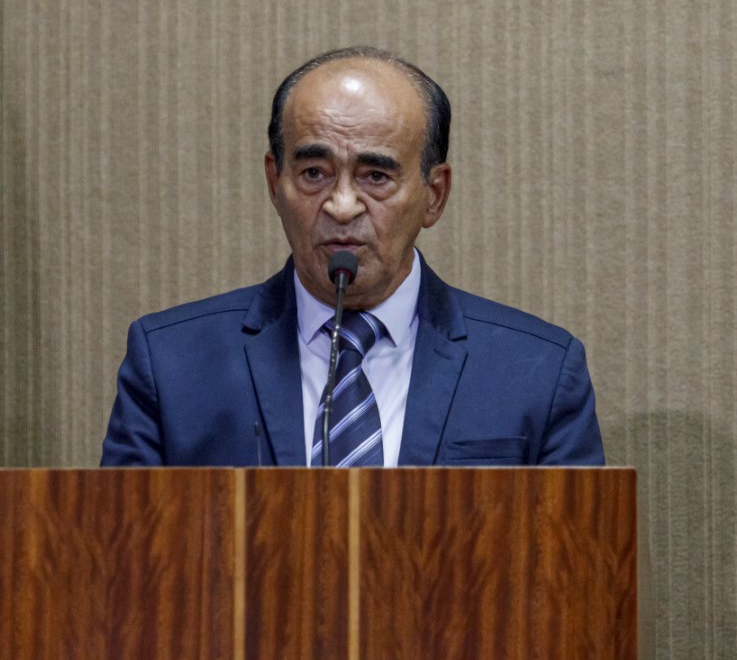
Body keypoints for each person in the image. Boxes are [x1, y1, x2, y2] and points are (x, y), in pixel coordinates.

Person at [100, 46, 604, 467]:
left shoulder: (538, 372)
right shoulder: (171, 365)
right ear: (274, 182)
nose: (341, 206)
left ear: (434, 195)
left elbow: (573, 556)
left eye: (376, 177)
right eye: (314, 173)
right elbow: (126, 550)